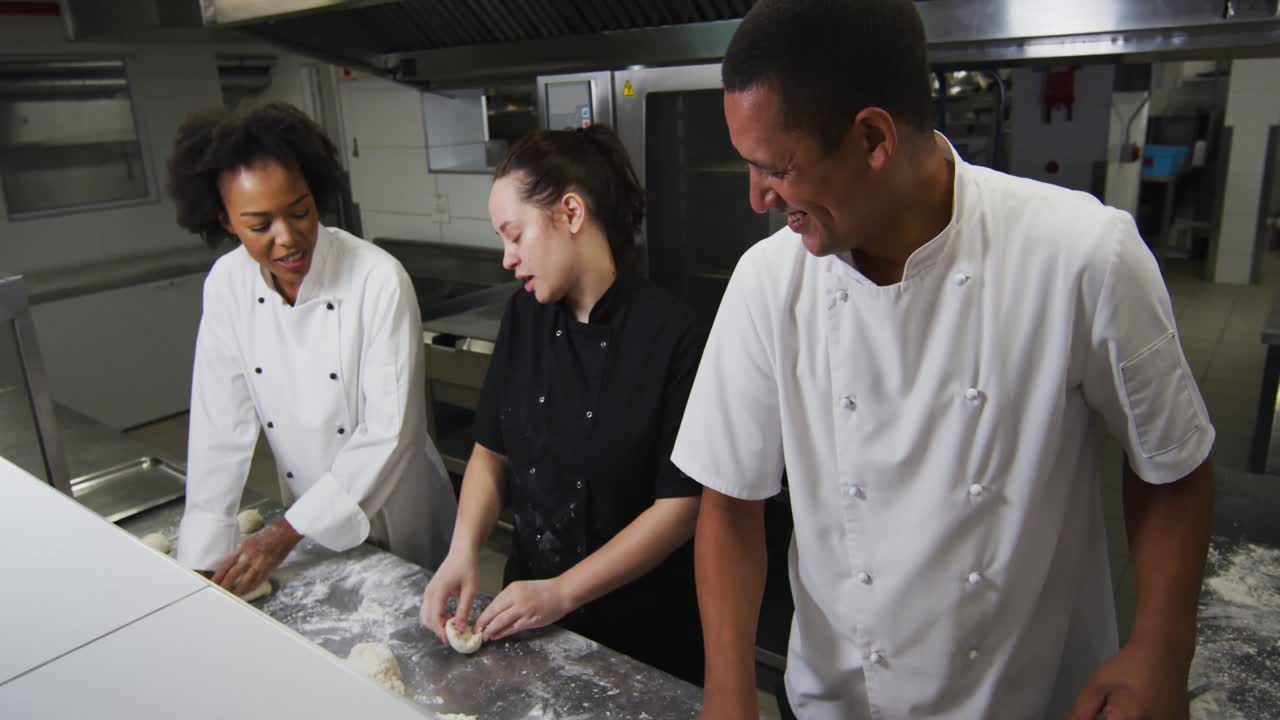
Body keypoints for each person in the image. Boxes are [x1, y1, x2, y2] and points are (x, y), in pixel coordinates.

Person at [673, 1, 1216, 718]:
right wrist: (728, 690)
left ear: (872, 138)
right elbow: (730, 503)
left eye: (777, 168)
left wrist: (1161, 648)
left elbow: (1172, 462)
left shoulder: (1083, 254)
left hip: (1026, 698)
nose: (758, 198)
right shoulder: (767, 282)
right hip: (834, 703)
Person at [419, 124, 706, 685]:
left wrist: (562, 592)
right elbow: (489, 452)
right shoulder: (524, 316)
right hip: (533, 618)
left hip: (644, 633)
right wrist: (462, 551)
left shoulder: (674, 337)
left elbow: (680, 510)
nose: (507, 258)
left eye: (515, 234)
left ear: (570, 213)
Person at [168, 102, 456, 593]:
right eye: (260, 226)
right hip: (304, 509)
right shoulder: (227, 285)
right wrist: (203, 549)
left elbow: (391, 432)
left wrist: (285, 533)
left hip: (396, 507)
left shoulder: (376, 278)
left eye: (300, 211)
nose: (288, 239)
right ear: (226, 220)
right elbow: (220, 423)